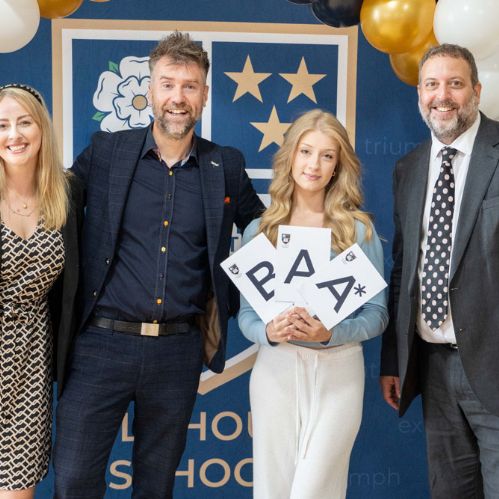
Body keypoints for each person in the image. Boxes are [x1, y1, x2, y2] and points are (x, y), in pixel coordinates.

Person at [53, 31, 264, 499]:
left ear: (204, 94)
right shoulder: (106, 152)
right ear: (150, 90)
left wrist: (336, 225)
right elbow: (52, 203)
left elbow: (268, 232)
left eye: (189, 86)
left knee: (156, 487)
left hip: (178, 351)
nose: (178, 97)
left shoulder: (226, 166)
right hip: (100, 345)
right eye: (167, 84)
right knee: (73, 481)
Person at [238, 109, 388, 498]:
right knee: (272, 490)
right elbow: (247, 317)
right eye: (306, 151)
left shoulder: (357, 231)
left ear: (338, 166)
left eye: (327, 156)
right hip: (276, 371)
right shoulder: (260, 231)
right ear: (290, 155)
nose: (314, 165)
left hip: (339, 372)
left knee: (314, 491)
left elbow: (377, 315)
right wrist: (269, 331)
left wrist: (330, 333)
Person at [380, 43, 499, 498]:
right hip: (432, 368)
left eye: (455, 83)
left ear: (476, 91)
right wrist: (393, 359)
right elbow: (402, 270)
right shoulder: (409, 168)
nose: (442, 95)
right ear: (419, 94)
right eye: (431, 84)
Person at [0, 84, 82, 499]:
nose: (14, 135)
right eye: (2, 125)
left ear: (42, 129)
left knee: (17, 491)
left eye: (24, 122)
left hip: (31, 363)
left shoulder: (65, 194)